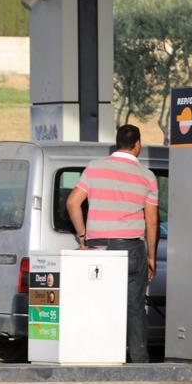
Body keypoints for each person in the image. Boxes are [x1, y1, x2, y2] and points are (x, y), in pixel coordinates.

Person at [65, 124, 159, 363]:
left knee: (96, 303)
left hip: (97, 248)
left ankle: (95, 355)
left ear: (117, 143)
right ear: (137, 144)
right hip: (130, 247)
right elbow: (151, 221)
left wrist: (83, 236)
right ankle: (138, 359)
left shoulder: (94, 168)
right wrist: (151, 257)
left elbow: (72, 203)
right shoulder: (147, 176)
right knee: (134, 307)